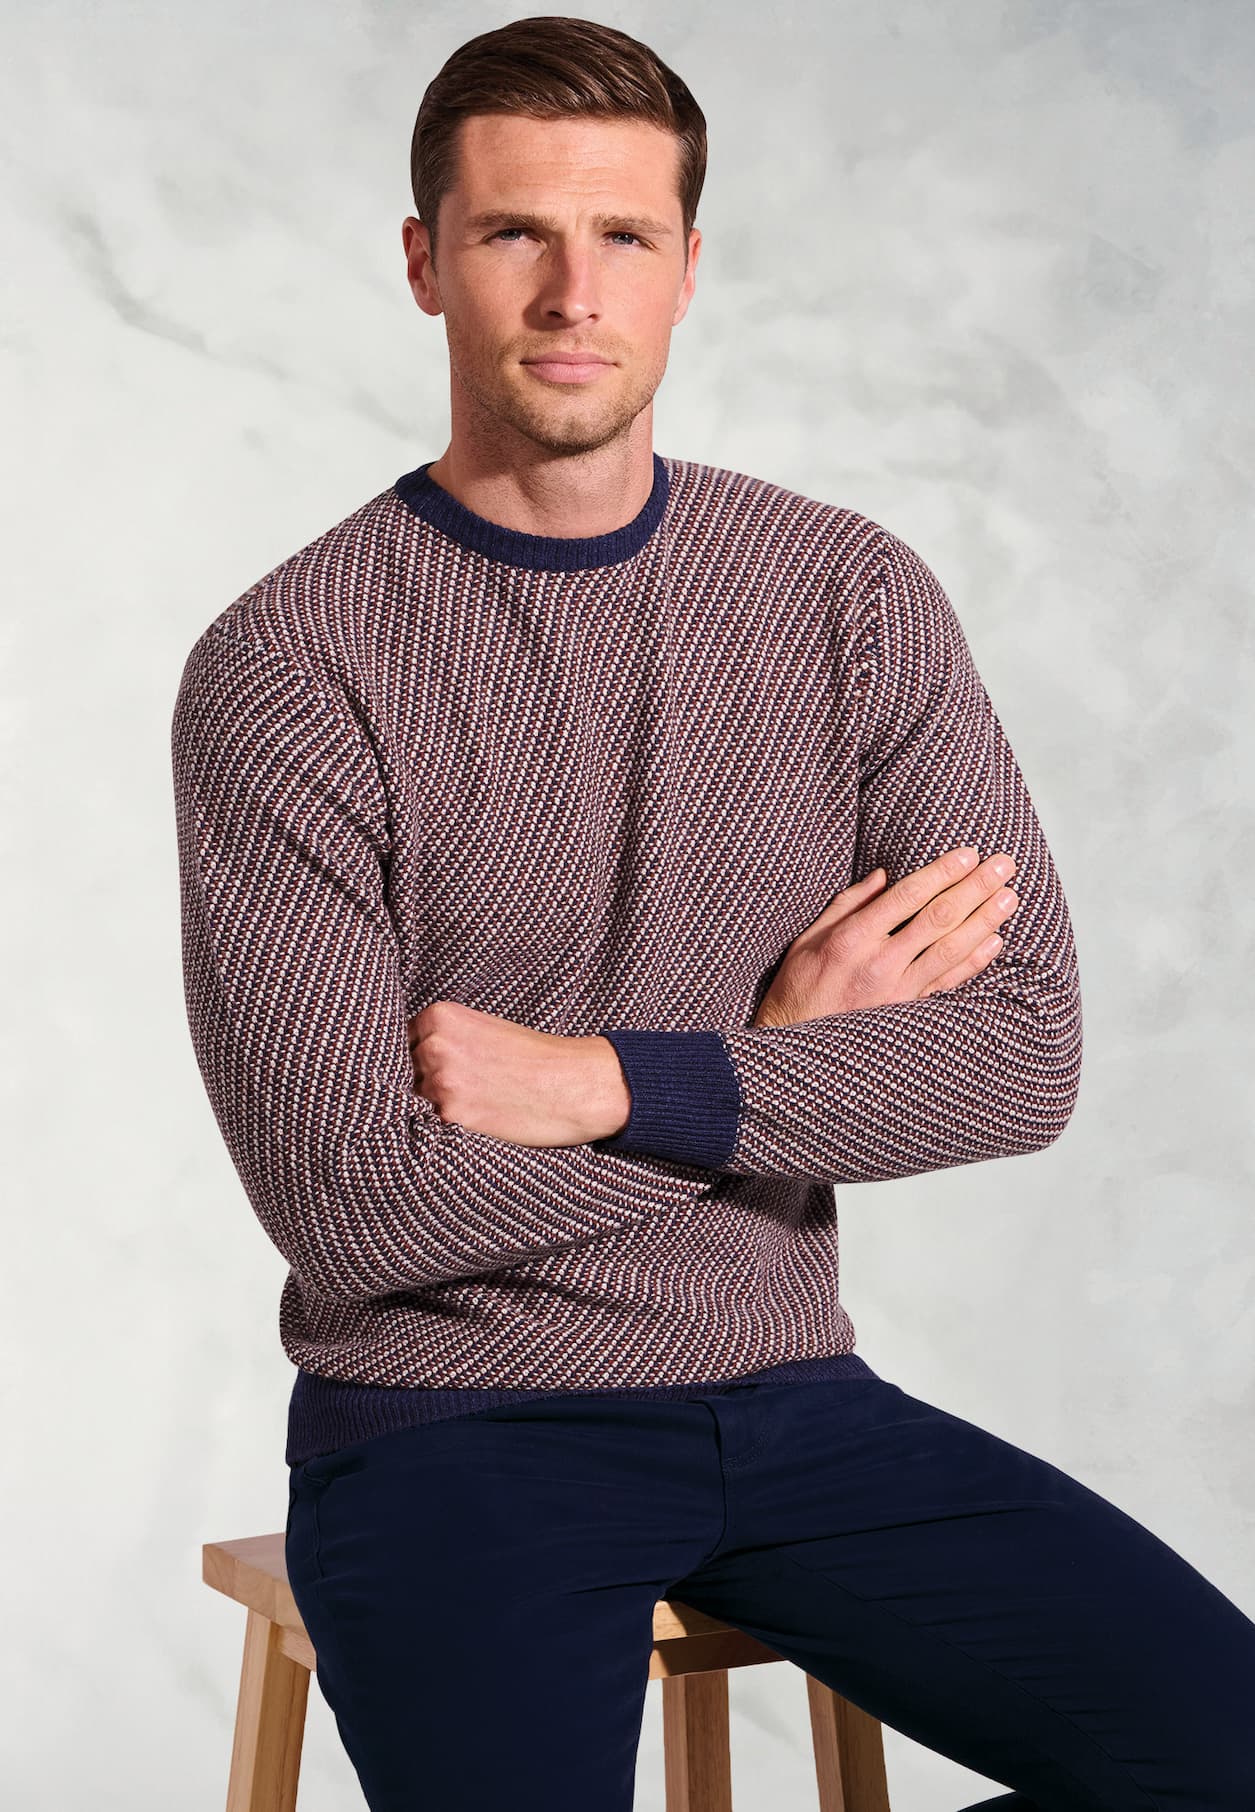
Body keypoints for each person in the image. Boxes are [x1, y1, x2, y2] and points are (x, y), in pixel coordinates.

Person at [170, 16, 1255, 1811]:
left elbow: (1020, 1057)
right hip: (454, 1430)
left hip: (794, 1399)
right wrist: (778, 1058)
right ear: (428, 263)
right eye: (515, 233)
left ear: (691, 267)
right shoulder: (293, 663)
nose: (572, 292)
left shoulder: (845, 596)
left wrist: (614, 1080)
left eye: (625, 236)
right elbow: (356, 1206)